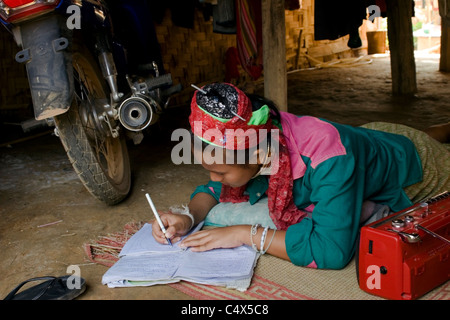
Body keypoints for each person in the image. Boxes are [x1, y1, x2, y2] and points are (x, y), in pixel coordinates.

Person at [152, 82, 450, 270]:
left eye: (220, 172)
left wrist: (244, 233)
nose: (215, 180)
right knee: (416, 133)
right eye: (209, 170)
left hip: (417, 162)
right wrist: (188, 217)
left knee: (425, 141)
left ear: (258, 157)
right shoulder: (262, 137)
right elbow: (213, 190)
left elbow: (330, 252)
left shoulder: (328, 159)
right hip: (368, 134)